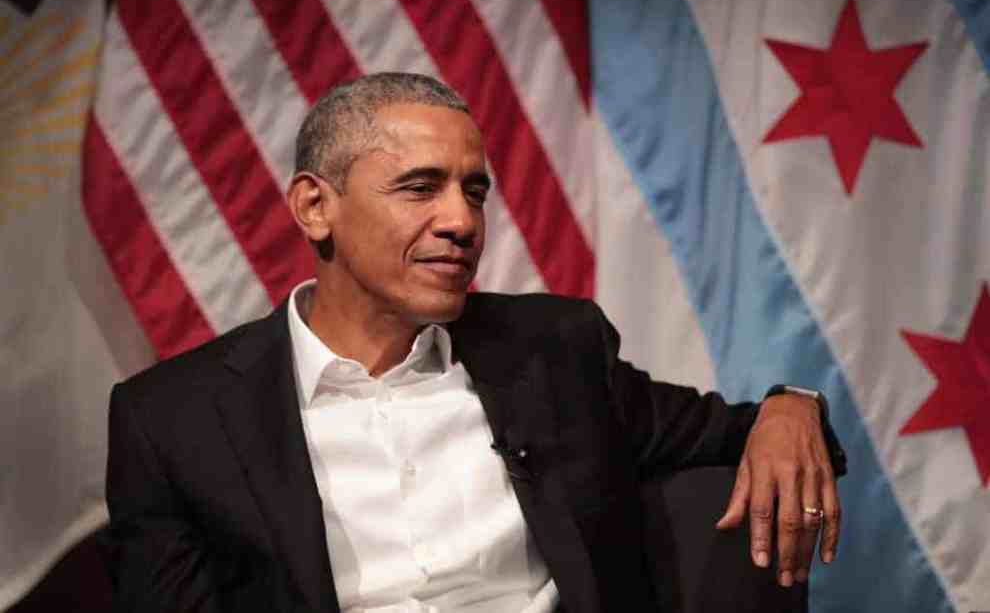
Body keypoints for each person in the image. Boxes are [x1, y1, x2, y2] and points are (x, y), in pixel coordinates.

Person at [106, 72, 845, 613]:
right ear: (314, 207)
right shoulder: (175, 420)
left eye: (475, 191)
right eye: (421, 188)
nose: (462, 221)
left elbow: (736, 431)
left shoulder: (553, 353)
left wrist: (793, 407)